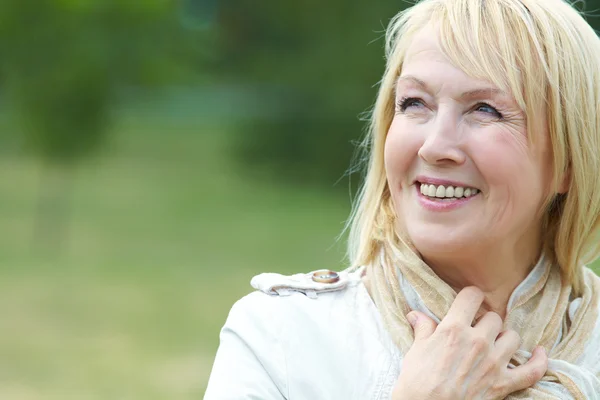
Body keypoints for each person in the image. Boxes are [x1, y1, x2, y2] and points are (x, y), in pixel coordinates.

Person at [204, 0, 600, 398]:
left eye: (485, 109)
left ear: (569, 160)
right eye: (414, 103)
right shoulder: (281, 337)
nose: (434, 146)